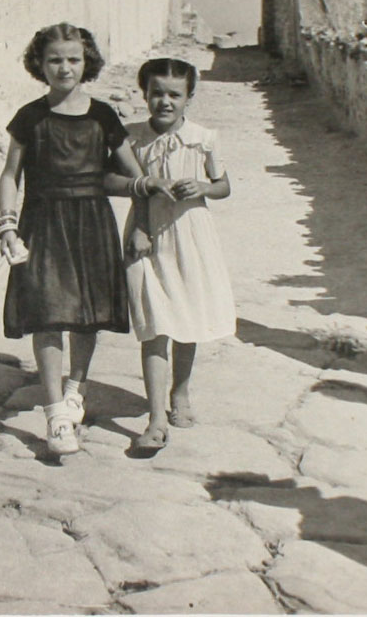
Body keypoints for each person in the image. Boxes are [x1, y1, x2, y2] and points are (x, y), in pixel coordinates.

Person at [0, 23, 152, 455]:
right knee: (46, 314)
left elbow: (136, 177)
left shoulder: (103, 115)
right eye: (54, 60)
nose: (64, 68)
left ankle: (75, 389)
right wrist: (6, 225)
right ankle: (55, 416)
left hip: (91, 224)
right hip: (42, 223)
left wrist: (141, 224)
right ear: (39, 64)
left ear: (87, 63)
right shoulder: (30, 116)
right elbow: (10, 175)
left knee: (86, 314)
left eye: (73, 59)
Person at [124, 57, 236, 452]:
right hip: (147, 235)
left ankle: (181, 392)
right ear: (145, 94)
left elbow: (223, 185)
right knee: (153, 323)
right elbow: (116, 181)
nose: (165, 102)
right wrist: (139, 221)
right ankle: (156, 419)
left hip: (190, 236)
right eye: (157, 93)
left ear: (189, 97)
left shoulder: (203, 138)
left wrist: (203, 188)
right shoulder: (132, 138)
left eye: (175, 94)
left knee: (188, 318)